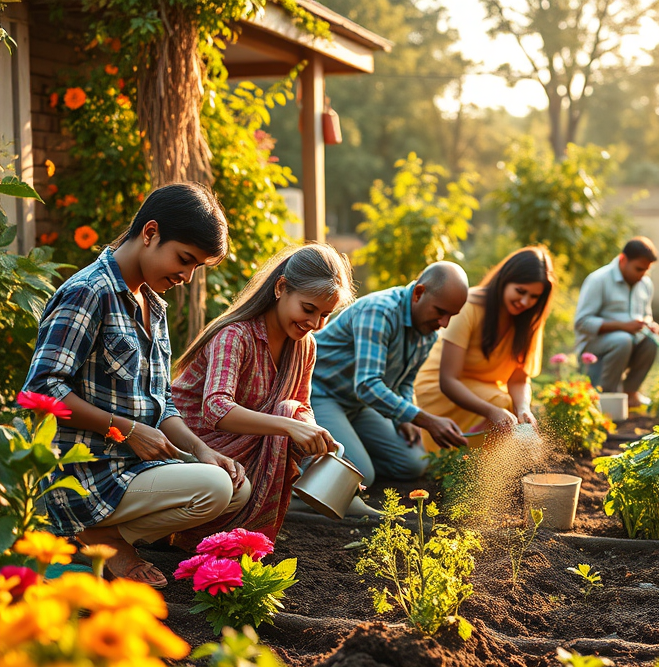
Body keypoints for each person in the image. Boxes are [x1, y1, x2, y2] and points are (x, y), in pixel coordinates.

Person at [23, 183, 250, 588]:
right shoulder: (87, 292)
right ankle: (99, 535)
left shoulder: (152, 304)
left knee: (234, 485)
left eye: (197, 267)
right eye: (185, 259)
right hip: (84, 473)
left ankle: (104, 535)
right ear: (150, 233)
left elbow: (160, 402)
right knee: (214, 487)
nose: (187, 276)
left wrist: (202, 450)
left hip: (132, 469)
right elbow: (39, 392)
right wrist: (123, 429)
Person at [172, 243, 353, 547]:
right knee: (284, 417)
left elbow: (300, 404)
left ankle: (243, 539)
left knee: (289, 411)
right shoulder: (235, 335)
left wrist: (312, 430)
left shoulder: (305, 346)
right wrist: (287, 425)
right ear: (281, 288)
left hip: (243, 456)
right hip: (191, 449)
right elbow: (216, 408)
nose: (315, 324)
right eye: (308, 309)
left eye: (325, 315)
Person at [311, 261, 470, 495]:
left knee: (413, 463)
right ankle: (306, 478)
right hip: (320, 394)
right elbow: (367, 384)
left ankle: (348, 452)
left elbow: (404, 382)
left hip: (358, 404)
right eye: (440, 311)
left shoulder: (427, 333)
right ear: (418, 293)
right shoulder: (380, 311)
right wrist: (423, 419)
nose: (444, 323)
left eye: (451, 316)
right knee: (362, 472)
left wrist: (404, 419)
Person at [414, 246, 556, 451]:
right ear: (505, 281)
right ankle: (460, 462)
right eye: (520, 291)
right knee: (501, 404)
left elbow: (518, 378)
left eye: (534, 297)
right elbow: (448, 380)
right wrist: (492, 411)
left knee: (508, 408)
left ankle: (486, 470)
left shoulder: (529, 321)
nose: (525, 301)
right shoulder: (469, 305)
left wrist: (523, 408)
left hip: (482, 391)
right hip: (440, 390)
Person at [574, 236, 659, 407]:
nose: (642, 275)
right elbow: (582, 323)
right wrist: (623, 327)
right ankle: (608, 397)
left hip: (629, 343)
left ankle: (629, 394)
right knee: (622, 339)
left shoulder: (645, 283)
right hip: (594, 346)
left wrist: (650, 324)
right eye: (638, 269)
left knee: (652, 341)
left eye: (646, 271)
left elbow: (646, 315)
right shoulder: (599, 280)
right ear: (623, 259)